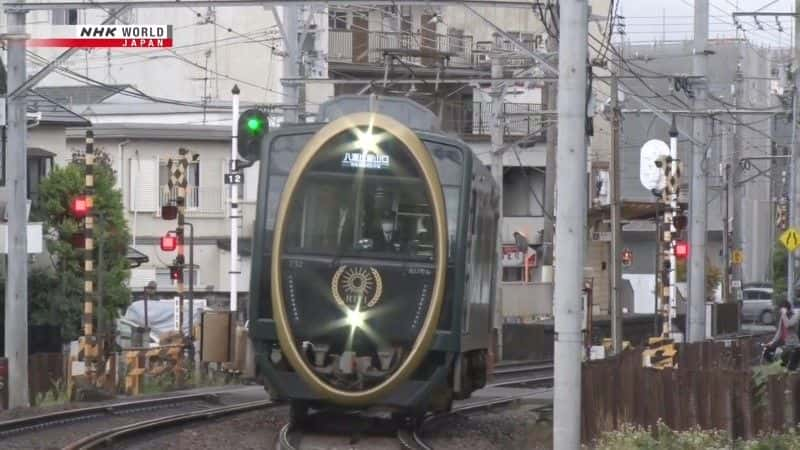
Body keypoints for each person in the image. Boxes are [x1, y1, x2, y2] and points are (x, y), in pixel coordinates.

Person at [765, 300, 799, 365]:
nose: (780, 311)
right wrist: (773, 341)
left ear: (785, 309)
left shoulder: (795, 315)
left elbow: (788, 325)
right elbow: (779, 331)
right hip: (782, 340)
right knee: (767, 349)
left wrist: (784, 314)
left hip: (791, 342)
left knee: (781, 354)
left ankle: (783, 364)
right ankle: (774, 364)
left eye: (781, 309)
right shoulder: (783, 316)